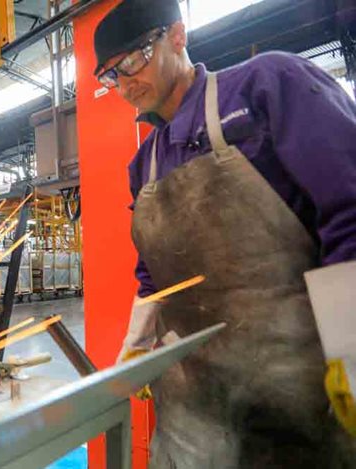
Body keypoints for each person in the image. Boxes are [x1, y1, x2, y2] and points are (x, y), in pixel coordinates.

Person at [92, 0, 356, 467]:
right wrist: (135, 350)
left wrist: (350, 351)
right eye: (111, 75)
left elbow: (349, 210)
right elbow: (154, 278)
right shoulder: (145, 165)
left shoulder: (267, 87)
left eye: (133, 60)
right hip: (195, 422)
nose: (125, 82)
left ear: (177, 36)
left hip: (301, 406)